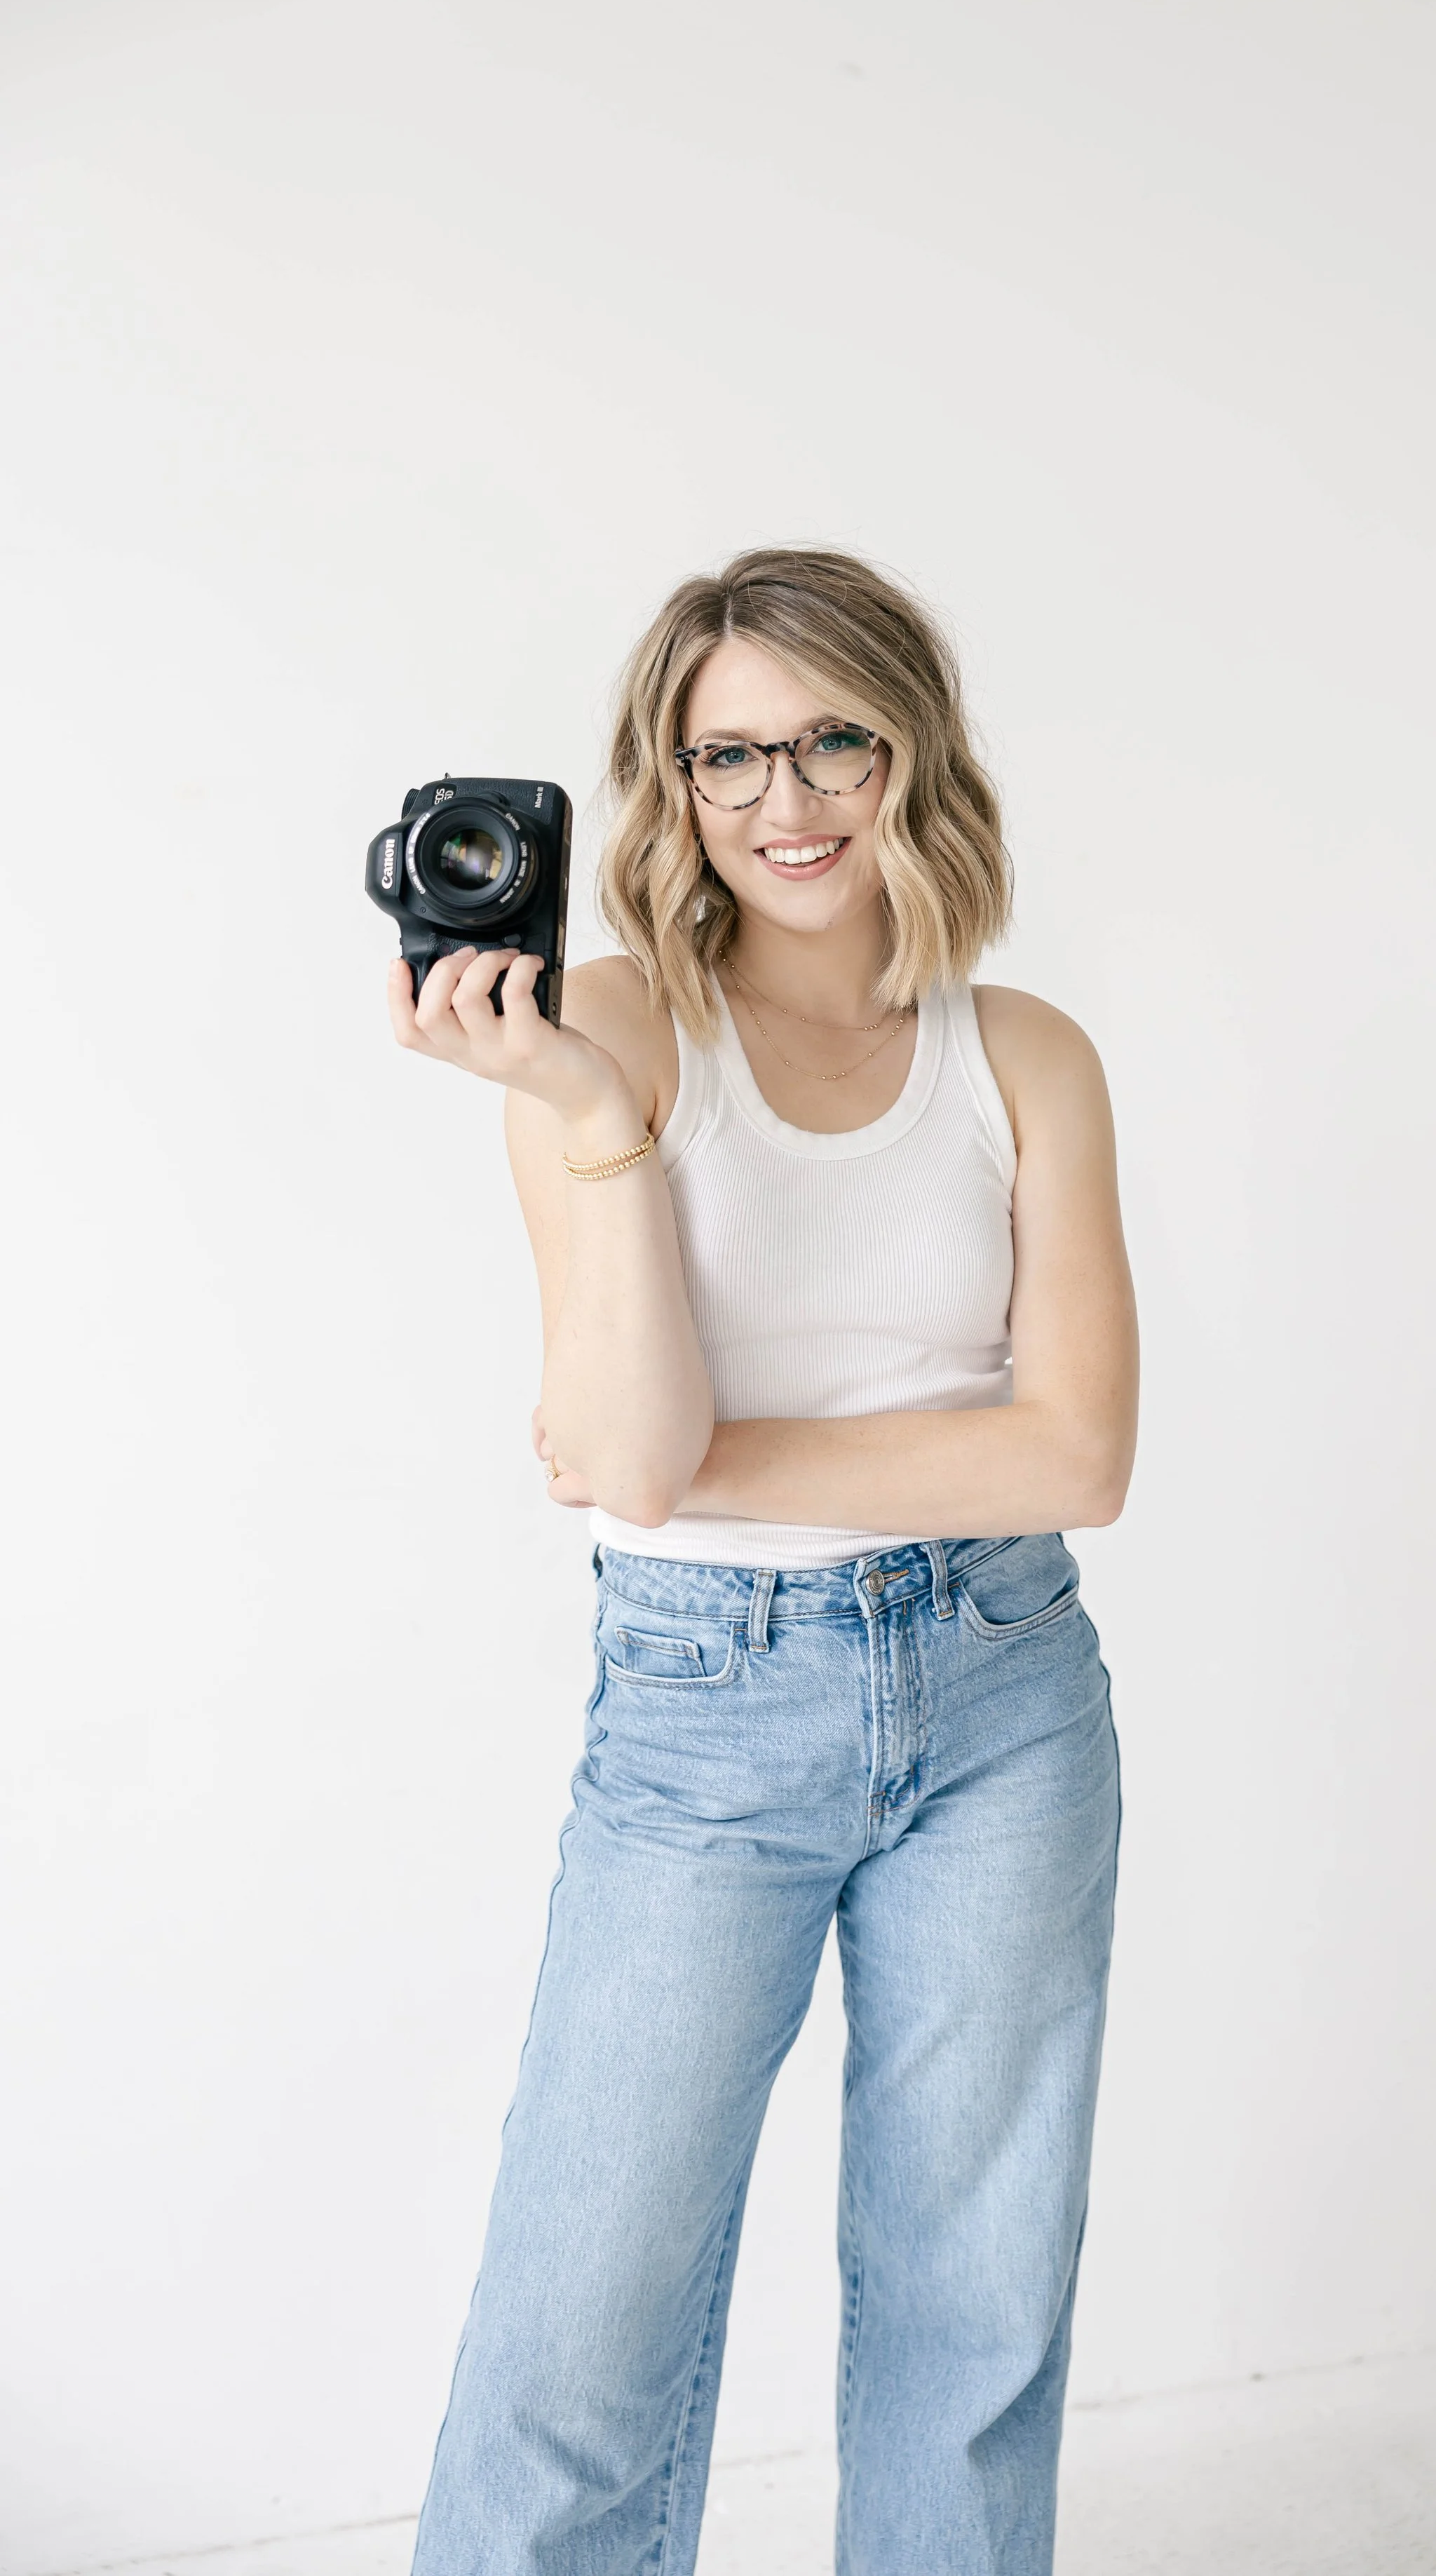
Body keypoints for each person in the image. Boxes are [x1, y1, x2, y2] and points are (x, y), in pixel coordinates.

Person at [387, 548, 1138, 2575]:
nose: (787, 800)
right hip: (706, 1707)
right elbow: (627, 1458)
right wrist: (576, 1106)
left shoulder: (1027, 1054)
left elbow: (1075, 1451)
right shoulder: (605, 1032)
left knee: (971, 2310)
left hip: (1002, 1690)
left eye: (833, 740)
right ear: (670, 782)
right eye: (729, 756)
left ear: (915, 755)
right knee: (577, 2322)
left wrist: (708, 1453)